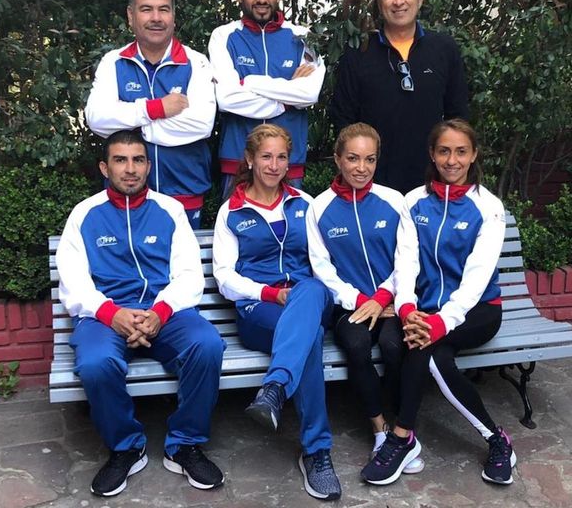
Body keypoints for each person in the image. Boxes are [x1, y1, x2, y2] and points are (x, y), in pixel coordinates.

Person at [56, 130, 225, 497]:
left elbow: (189, 274)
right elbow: (72, 281)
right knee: (96, 363)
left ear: (148, 166)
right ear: (105, 167)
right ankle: (126, 448)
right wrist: (110, 313)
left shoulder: (170, 210)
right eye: (120, 160)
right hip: (106, 316)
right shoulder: (84, 214)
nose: (129, 169)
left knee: (208, 344)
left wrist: (160, 311)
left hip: (165, 312)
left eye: (137, 160)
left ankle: (184, 445)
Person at [360, 118, 516, 486]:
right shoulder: (414, 202)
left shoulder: (489, 208)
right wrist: (409, 310)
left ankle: (401, 437)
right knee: (434, 356)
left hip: (477, 312)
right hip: (424, 312)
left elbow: (477, 278)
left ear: (474, 154)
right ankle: (497, 440)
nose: (452, 160)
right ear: (432, 153)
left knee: (424, 348)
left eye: (461, 151)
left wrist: (439, 323)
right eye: (444, 150)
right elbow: (406, 263)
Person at [212, 124, 341, 500]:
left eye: (281, 156)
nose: (274, 164)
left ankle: (274, 389)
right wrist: (270, 293)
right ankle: (317, 453)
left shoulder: (306, 203)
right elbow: (224, 278)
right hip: (259, 311)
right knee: (311, 337)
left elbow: (323, 263)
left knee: (312, 287)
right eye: (266, 156)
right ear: (250, 160)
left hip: (309, 298)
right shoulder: (231, 212)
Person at [306, 122, 423, 474]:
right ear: (338, 159)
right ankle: (380, 431)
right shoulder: (320, 208)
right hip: (350, 306)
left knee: (393, 346)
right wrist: (359, 300)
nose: (362, 167)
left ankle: (405, 431)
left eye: (369, 159)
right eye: (353, 158)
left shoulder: (393, 200)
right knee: (356, 346)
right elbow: (321, 269)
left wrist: (386, 295)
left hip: (392, 302)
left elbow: (407, 256)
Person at [85, 0, 215, 229]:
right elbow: (97, 119)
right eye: (146, 9)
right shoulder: (114, 62)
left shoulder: (195, 63)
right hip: (125, 195)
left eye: (163, 9)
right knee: (127, 266)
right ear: (131, 16)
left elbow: (201, 124)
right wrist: (156, 109)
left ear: (173, 17)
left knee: (181, 266)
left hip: (184, 191)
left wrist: (132, 124)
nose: (156, 17)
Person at [330, 0, 469, 194]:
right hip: (373, 186)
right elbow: (343, 118)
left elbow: (459, 118)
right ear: (379, 2)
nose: (398, 1)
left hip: (432, 183)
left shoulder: (444, 49)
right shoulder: (359, 53)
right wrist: (359, 167)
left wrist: (449, 165)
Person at [208, 0, 325, 196]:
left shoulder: (303, 37)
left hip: (288, 164)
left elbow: (309, 93)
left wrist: (249, 82)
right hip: (237, 160)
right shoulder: (223, 36)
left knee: (290, 233)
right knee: (236, 231)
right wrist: (287, 98)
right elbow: (228, 99)